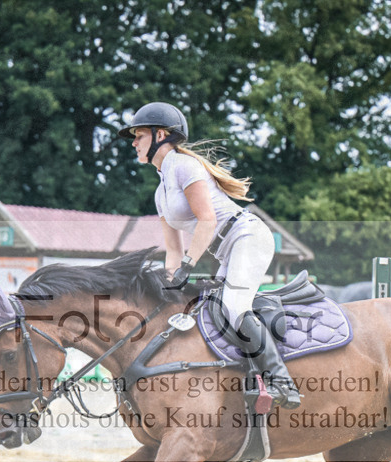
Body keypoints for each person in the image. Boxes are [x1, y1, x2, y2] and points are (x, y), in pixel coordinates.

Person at [118, 102, 301, 409]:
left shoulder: (185, 167)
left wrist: (188, 265)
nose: (134, 142)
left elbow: (207, 220)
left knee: (233, 306)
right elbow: (173, 249)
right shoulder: (161, 192)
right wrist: (169, 283)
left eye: (139, 135)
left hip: (248, 236)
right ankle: (248, 378)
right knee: (211, 312)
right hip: (227, 249)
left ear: (160, 135)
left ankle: (281, 380)